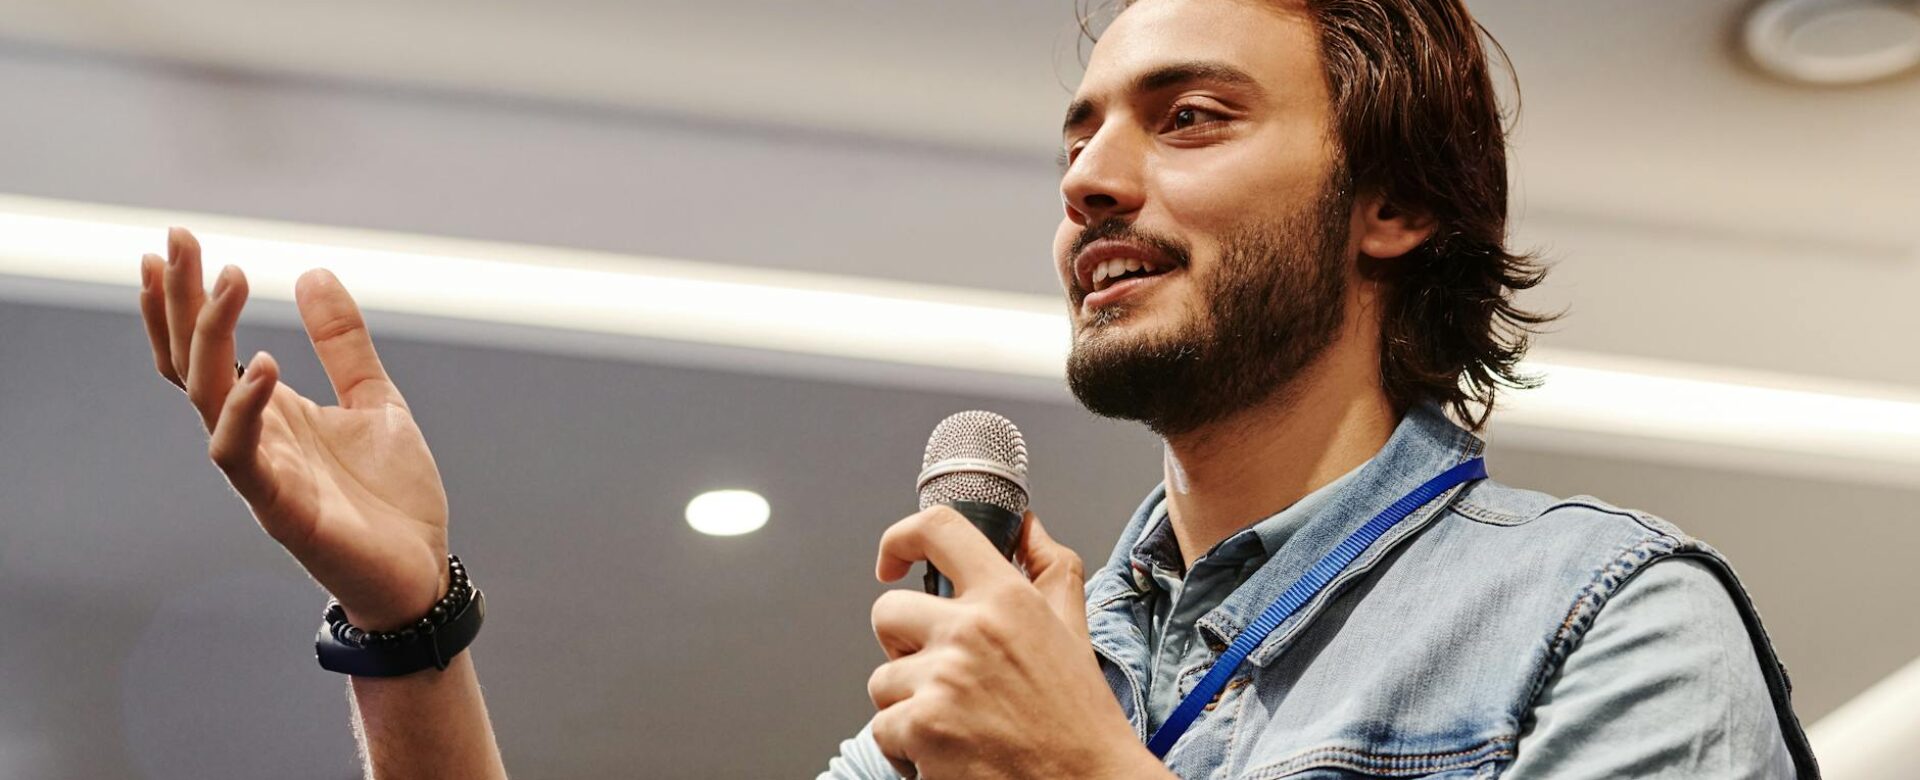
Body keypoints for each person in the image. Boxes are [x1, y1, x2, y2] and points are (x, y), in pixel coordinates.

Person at [139, 0, 1819, 777]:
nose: (1090, 176)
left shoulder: (1604, 622)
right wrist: (412, 634)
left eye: (1191, 116)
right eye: (1080, 130)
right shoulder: (1001, 687)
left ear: (1393, 204)